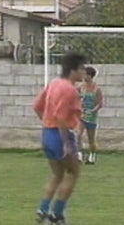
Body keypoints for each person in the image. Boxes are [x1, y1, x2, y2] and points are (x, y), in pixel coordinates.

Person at [32, 51, 88, 225]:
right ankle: (57, 214)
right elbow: (61, 116)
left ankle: (42, 209)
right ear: (74, 70)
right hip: (60, 134)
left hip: (47, 133)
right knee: (73, 172)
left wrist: (47, 123)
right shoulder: (69, 90)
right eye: (82, 69)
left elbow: (37, 106)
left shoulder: (53, 83)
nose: (84, 73)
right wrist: (66, 142)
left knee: (57, 175)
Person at [77, 66, 103, 164]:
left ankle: (92, 156)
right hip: (82, 115)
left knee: (91, 138)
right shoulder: (81, 87)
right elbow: (75, 97)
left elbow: (100, 104)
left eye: (86, 74)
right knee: (78, 135)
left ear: (90, 76)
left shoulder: (97, 89)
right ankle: (79, 155)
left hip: (91, 116)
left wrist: (92, 111)